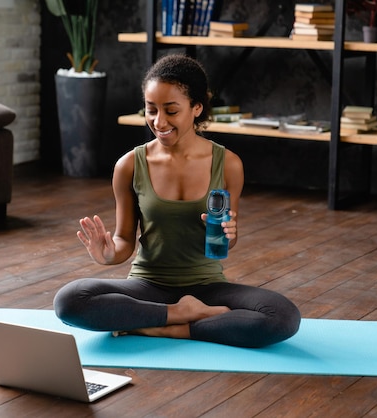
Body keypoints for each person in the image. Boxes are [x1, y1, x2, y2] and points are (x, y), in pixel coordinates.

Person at [54, 54, 300, 348]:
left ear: (197, 107)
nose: (159, 121)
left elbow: (224, 245)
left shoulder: (229, 164)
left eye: (171, 111)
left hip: (208, 286)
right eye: (151, 109)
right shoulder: (129, 165)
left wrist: (228, 235)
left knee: (283, 316)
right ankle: (179, 315)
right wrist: (107, 255)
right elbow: (124, 241)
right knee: (69, 301)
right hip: (147, 286)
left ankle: (169, 328)